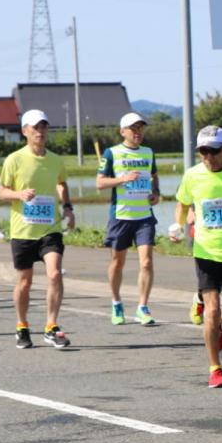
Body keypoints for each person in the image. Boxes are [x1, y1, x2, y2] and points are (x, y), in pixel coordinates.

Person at [170, 126, 222, 388]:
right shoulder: (192, 176)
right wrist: (178, 225)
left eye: (213, 151)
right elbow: (182, 203)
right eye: (203, 152)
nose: (208, 157)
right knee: (213, 309)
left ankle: (211, 318)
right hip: (206, 252)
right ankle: (216, 369)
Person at [0, 109, 75, 349]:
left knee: (54, 273)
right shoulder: (14, 159)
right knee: (25, 282)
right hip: (23, 231)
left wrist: (68, 208)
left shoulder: (55, 160)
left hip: (49, 229)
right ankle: (22, 326)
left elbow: (61, 183)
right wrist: (19, 194)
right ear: (24, 131)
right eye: (35, 128)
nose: (40, 131)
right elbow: (1, 192)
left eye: (43, 127)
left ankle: (51, 326)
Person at [97, 112, 160, 326]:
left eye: (141, 128)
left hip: (144, 216)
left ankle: (143, 307)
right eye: (133, 129)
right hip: (121, 216)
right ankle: (116, 302)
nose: (138, 133)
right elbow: (100, 182)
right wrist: (123, 179)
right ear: (122, 131)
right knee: (117, 262)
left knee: (147, 261)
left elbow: (153, 175)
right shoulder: (112, 153)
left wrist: (155, 193)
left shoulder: (149, 152)